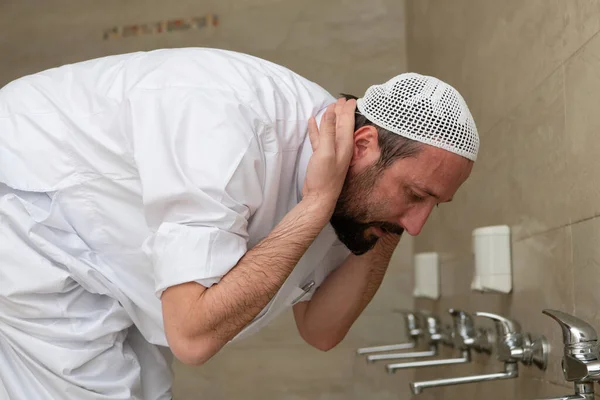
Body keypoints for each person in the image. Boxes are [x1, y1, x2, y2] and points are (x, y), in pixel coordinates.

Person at [0, 47, 479, 399]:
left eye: (434, 204)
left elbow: (321, 330)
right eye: (416, 196)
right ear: (362, 146)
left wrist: (391, 221)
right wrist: (314, 203)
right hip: (31, 207)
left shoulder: (356, 188)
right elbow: (192, 335)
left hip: (105, 252)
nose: (418, 224)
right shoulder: (229, 129)